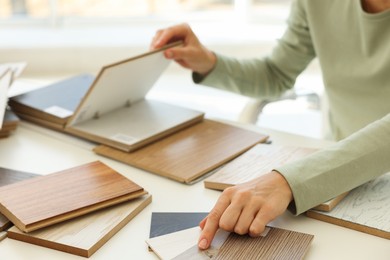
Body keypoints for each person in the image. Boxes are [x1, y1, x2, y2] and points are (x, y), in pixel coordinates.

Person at [150, 0, 390, 250]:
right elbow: (276, 74)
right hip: (342, 180)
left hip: (331, 176)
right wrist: (208, 61)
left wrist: (289, 181)